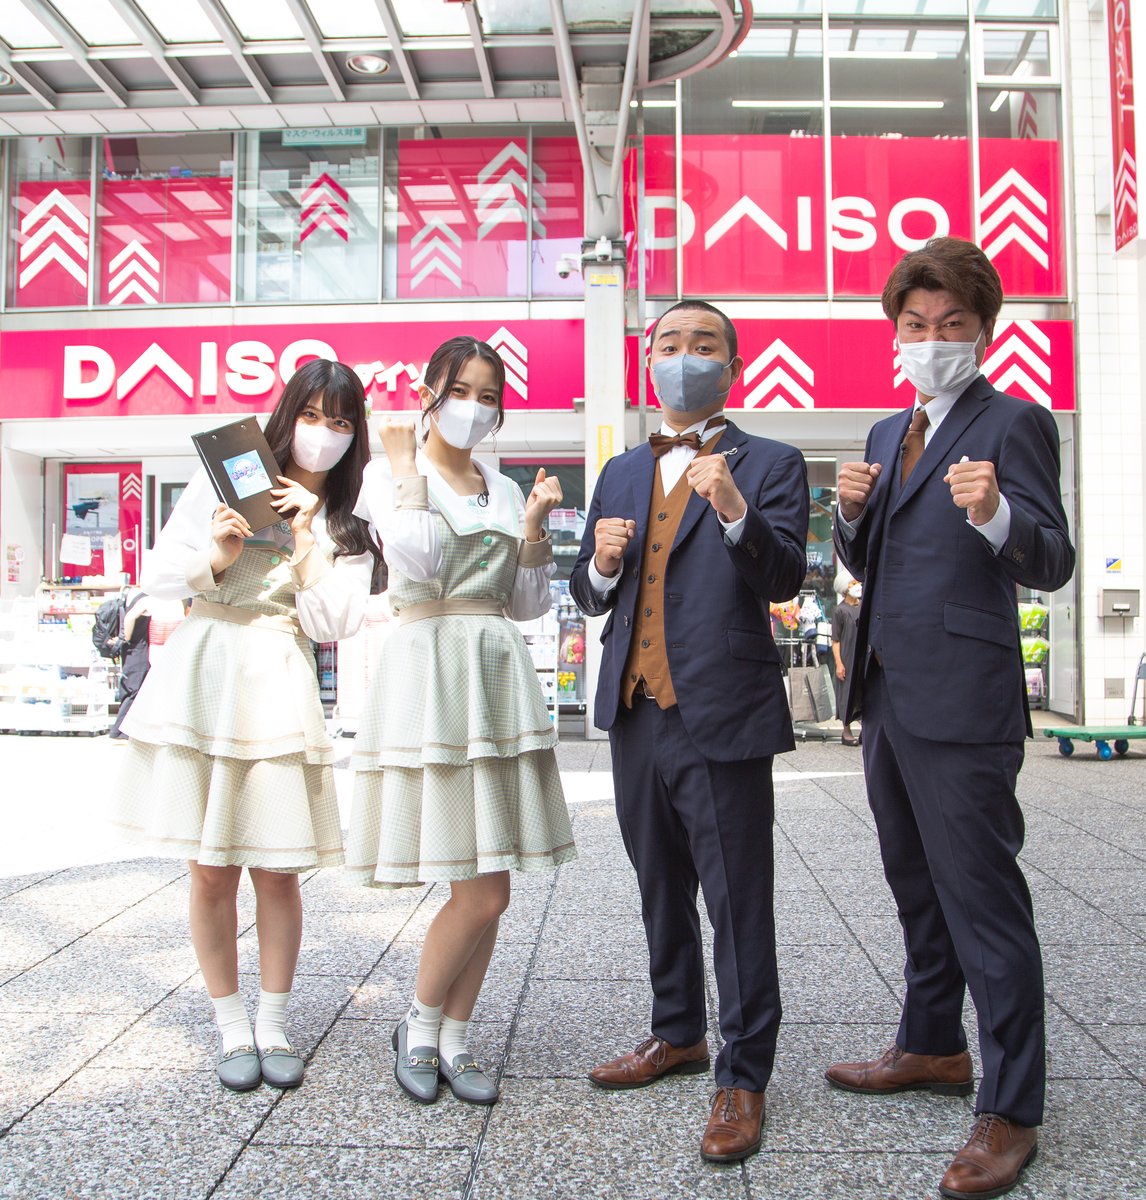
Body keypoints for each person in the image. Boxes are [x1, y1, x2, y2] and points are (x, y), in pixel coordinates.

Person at [828, 237, 1075, 1200]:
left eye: (952, 324)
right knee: (915, 886)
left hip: (966, 699)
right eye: (915, 325)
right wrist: (850, 517)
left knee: (983, 899)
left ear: (984, 331)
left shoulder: (1015, 421)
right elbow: (874, 564)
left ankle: (1011, 1108)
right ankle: (933, 1044)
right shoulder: (888, 432)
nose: (931, 340)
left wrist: (996, 513)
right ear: (896, 334)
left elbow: (1050, 559)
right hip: (889, 690)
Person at [569, 300, 809, 1164]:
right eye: (669, 343)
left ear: (732, 367)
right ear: (648, 363)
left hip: (723, 711)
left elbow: (787, 575)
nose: (685, 356)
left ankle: (743, 1075)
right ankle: (677, 1032)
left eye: (704, 344)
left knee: (737, 899)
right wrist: (600, 563)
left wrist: (737, 509)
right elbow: (587, 590)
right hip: (636, 711)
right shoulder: (620, 470)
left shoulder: (772, 461)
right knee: (658, 883)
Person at [108, 359, 378, 1093]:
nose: (322, 433)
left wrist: (307, 539)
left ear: (355, 435)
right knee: (209, 868)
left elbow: (335, 621)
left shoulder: (347, 520)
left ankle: (273, 1023)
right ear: (286, 415)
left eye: (340, 422)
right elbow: (160, 576)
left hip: (279, 676)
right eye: (311, 415)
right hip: (206, 669)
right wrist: (216, 557)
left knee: (279, 869)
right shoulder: (225, 480)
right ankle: (230, 1025)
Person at [345, 335, 576, 1108]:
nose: (475, 408)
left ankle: (452, 1035)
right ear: (427, 394)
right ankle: (418, 1026)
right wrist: (405, 467)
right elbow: (415, 560)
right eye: (461, 391)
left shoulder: (504, 488)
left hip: (494, 672)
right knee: (477, 888)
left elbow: (528, 604)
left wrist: (534, 524)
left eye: (488, 396)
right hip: (431, 673)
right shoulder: (387, 473)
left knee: (491, 882)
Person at [107, 588, 150, 740]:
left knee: (131, 688)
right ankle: (120, 731)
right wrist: (125, 637)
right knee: (134, 690)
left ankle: (124, 730)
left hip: (131, 649)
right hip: (138, 649)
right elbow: (130, 617)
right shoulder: (146, 598)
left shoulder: (132, 593)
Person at [830, 573, 862, 746]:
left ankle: (865, 730)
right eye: (852, 583)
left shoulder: (863, 606)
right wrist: (839, 663)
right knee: (847, 693)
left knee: (864, 691)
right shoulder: (840, 610)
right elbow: (836, 640)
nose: (857, 585)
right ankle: (846, 731)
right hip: (847, 656)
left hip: (862, 655)